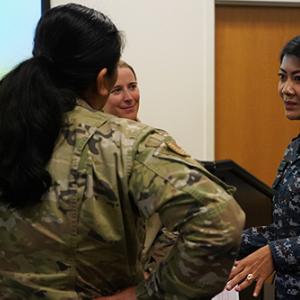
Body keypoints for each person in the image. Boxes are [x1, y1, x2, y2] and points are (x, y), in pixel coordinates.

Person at [0, 3, 245, 300]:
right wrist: (146, 295)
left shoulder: (10, 129)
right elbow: (220, 219)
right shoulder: (128, 143)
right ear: (104, 80)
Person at [225, 35, 300, 300]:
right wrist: (221, 239)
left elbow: (281, 243)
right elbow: (284, 230)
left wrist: (274, 253)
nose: (286, 89)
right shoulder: (295, 148)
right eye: (283, 77)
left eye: (298, 79)